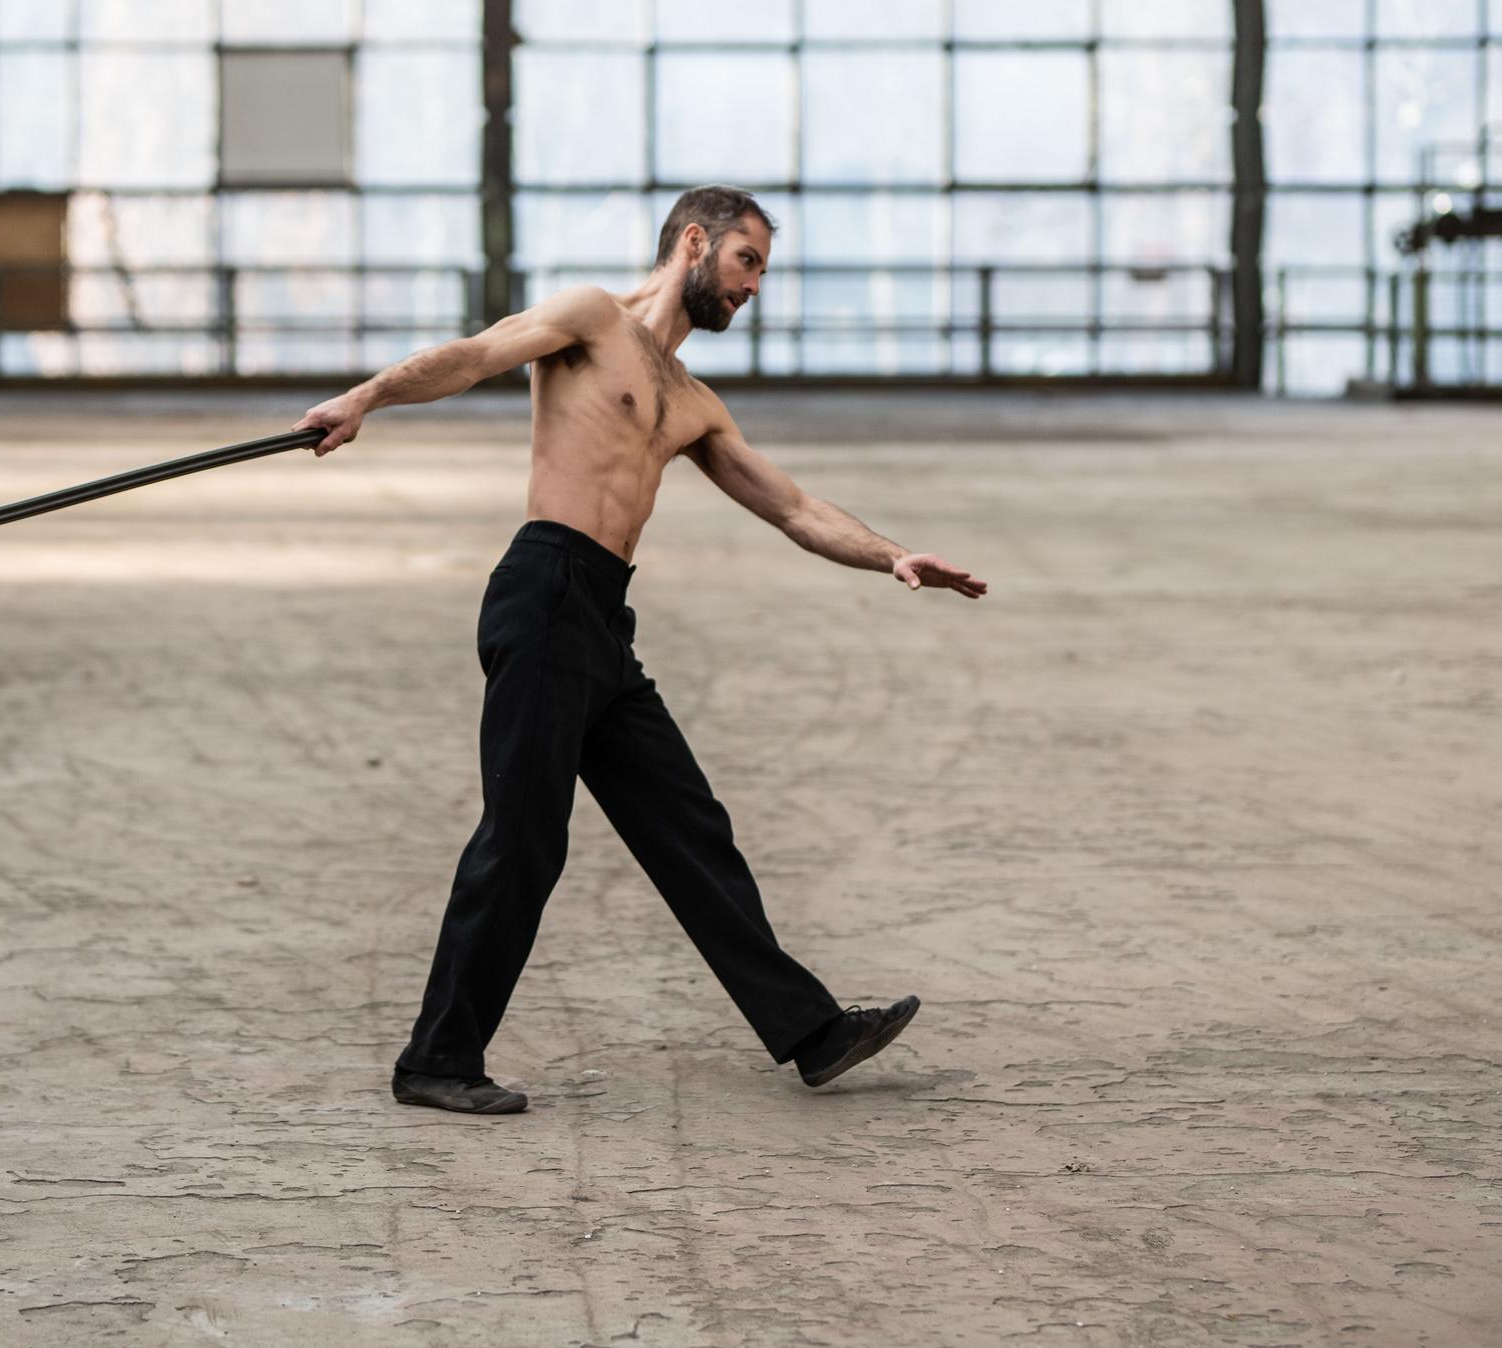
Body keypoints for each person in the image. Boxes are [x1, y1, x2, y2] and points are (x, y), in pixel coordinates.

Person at [294, 185, 987, 1116]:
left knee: (689, 826)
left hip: (601, 617)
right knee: (523, 838)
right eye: (745, 262)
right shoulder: (590, 319)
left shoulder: (693, 401)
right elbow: (476, 355)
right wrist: (365, 398)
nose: (752, 287)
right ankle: (437, 1060)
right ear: (695, 242)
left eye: (760, 272)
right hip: (544, 590)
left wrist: (890, 554)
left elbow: (792, 507)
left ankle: (811, 1031)